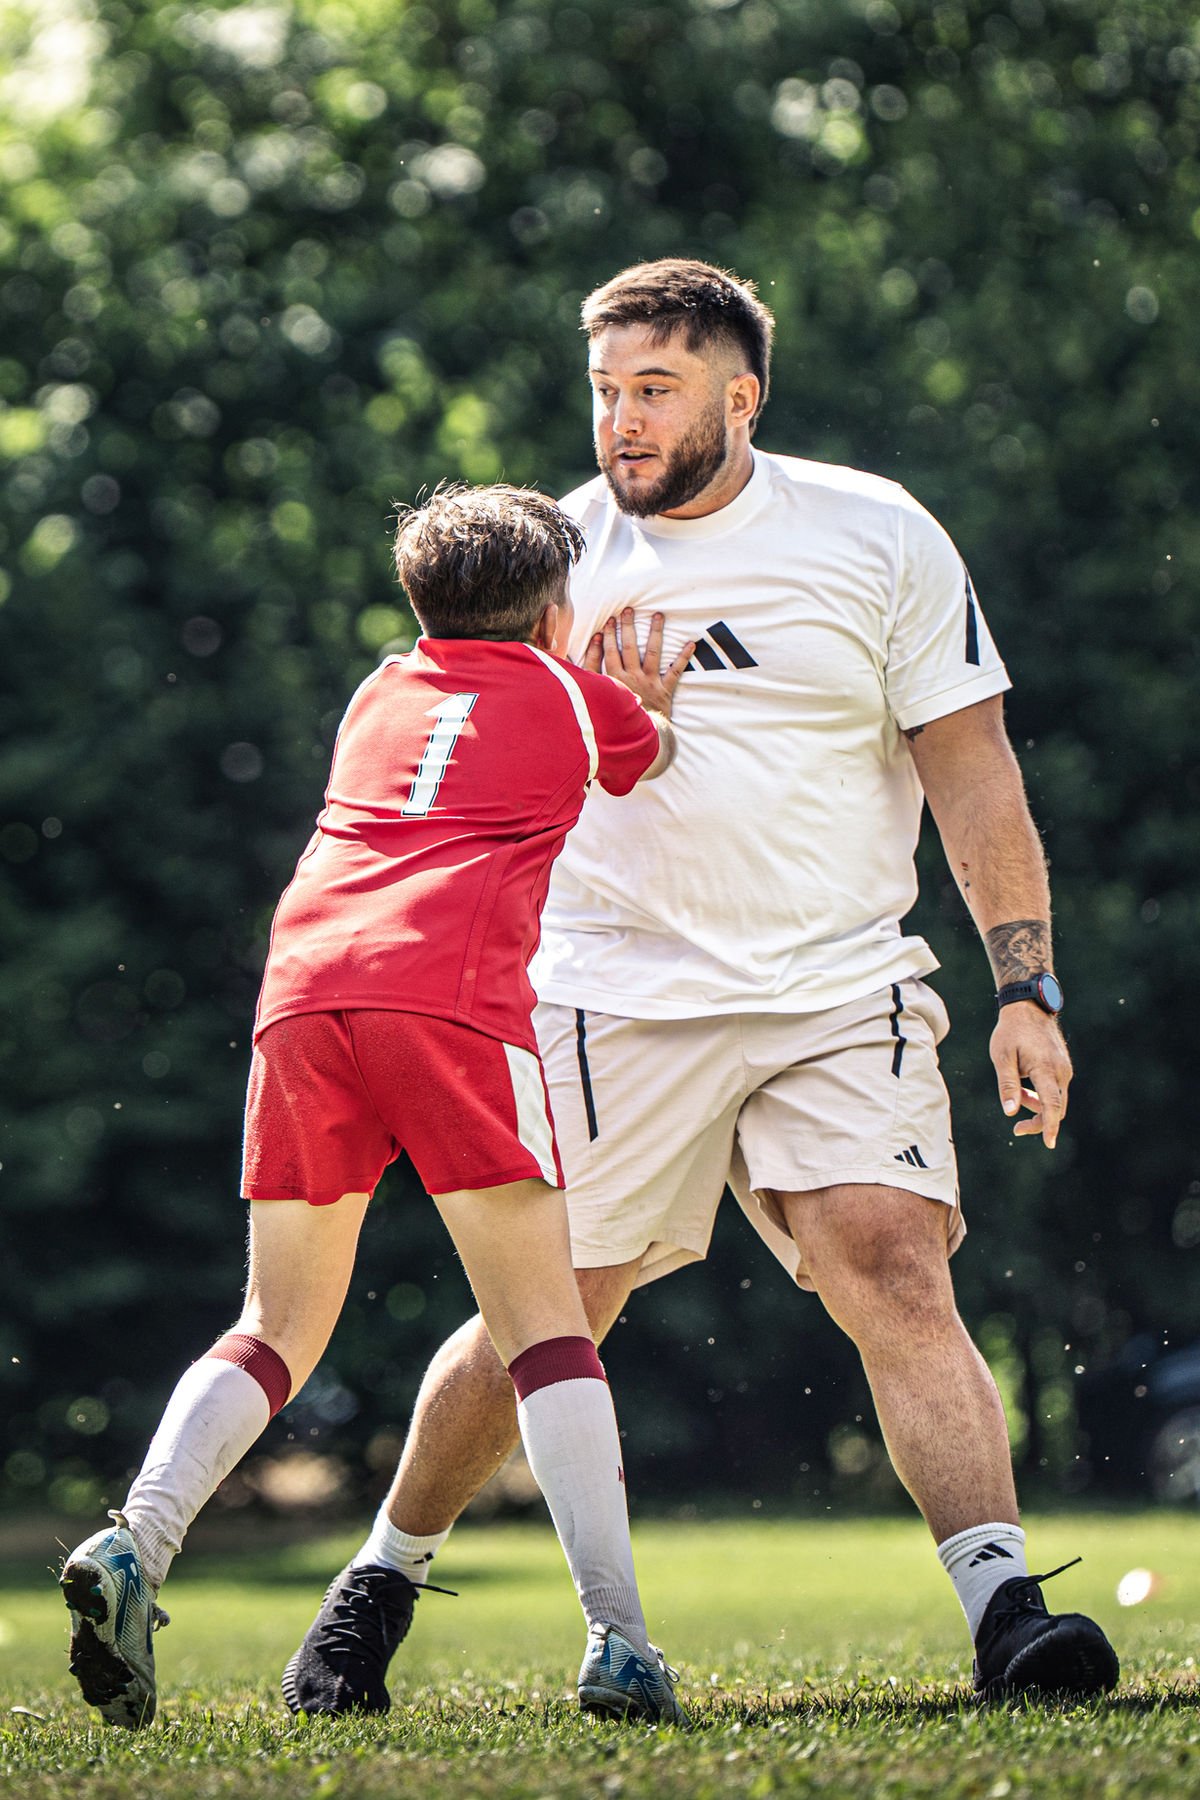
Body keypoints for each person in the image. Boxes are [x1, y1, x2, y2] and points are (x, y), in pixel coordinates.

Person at [284, 257, 1120, 1710]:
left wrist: (1025, 989)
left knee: (895, 1262)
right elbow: (448, 766)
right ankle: (374, 1589)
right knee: (553, 1310)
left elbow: (973, 772)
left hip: (840, 981)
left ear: (743, 395)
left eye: (655, 391)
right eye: (606, 391)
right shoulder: (550, 560)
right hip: (614, 994)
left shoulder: (877, 532)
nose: (622, 423)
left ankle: (1006, 1613)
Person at [58, 483, 695, 1730]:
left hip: (302, 995)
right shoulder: (574, 690)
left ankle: (138, 1538)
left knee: (276, 1322)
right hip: (450, 1001)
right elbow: (649, 758)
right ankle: (619, 1640)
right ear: (556, 606)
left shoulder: (377, 691)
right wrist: (645, 703)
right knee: (546, 1328)